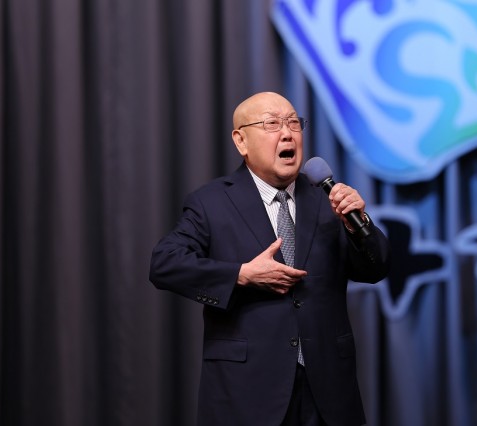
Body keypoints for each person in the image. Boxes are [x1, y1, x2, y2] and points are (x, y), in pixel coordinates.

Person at [149, 92, 390, 426]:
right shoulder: (211, 202)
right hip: (247, 391)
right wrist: (241, 274)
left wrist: (357, 225)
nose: (287, 133)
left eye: (293, 123)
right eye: (272, 124)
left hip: (328, 392)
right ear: (241, 141)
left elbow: (377, 269)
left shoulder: (328, 199)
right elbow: (165, 263)